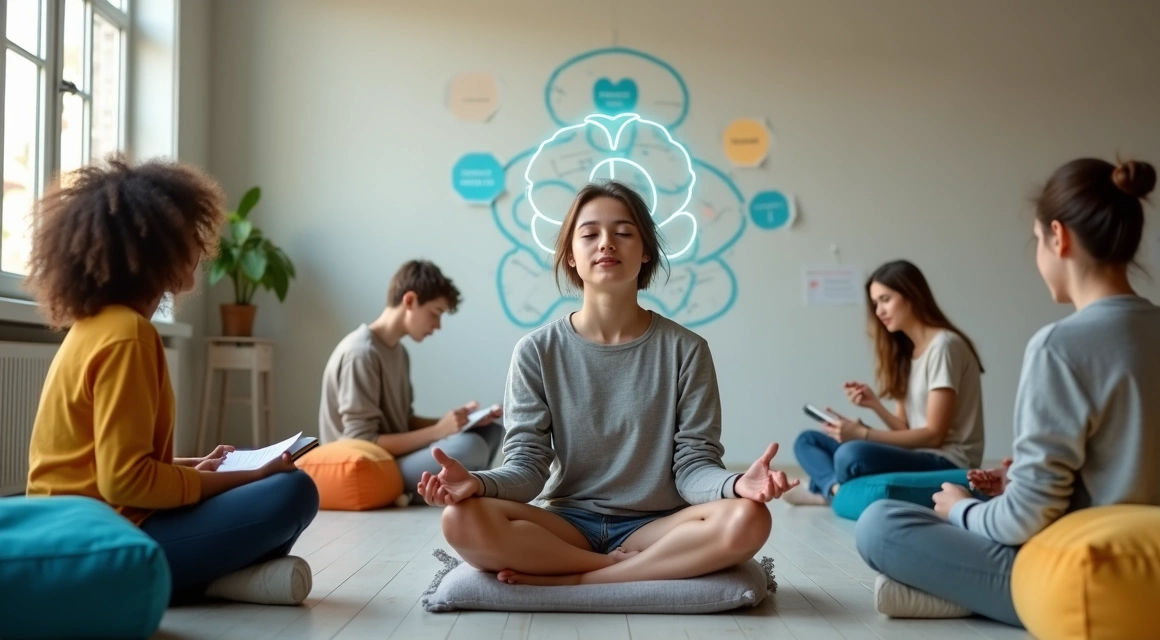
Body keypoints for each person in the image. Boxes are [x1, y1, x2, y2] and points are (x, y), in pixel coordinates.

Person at [854, 157, 1160, 627]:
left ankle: (963, 592)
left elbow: (1022, 522)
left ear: (1058, 237)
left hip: (1098, 580)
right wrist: (1017, 482)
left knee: (881, 524)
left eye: (1037, 240)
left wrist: (963, 510)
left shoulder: (1058, 346)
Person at [415, 180, 797, 586]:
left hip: (657, 526)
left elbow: (693, 466)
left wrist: (737, 484)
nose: (606, 243)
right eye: (589, 234)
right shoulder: (535, 351)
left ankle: (580, 579)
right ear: (571, 255)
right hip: (566, 524)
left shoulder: (687, 350)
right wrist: (477, 482)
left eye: (624, 233)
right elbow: (527, 467)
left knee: (750, 517)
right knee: (460, 519)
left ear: (646, 251)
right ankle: (621, 570)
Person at [25, 156, 319, 605]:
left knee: (263, 483)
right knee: (292, 491)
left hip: (74, 532)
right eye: (190, 235)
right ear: (154, 247)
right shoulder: (128, 335)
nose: (201, 246)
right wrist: (250, 475)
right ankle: (200, 582)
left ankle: (217, 581)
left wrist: (193, 468)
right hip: (101, 544)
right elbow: (126, 484)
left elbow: (108, 467)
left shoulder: (96, 327)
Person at [785, 260, 986, 505]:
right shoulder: (909, 354)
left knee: (851, 453)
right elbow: (904, 429)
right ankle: (834, 490)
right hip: (918, 453)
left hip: (948, 459)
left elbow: (934, 436)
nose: (879, 311)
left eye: (885, 300)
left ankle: (825, 489)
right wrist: (875, 406)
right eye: (875, 303)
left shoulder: (944, 346)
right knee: (808, 440)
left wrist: (862, 434)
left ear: (912, 295)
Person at [318, 260, 504, 502]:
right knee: (471, 448)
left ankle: (443, 491)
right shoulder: (361, 353)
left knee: (491, 431)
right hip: (372, 464)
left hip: (392, 457)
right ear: (409, 301)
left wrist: (459, 422)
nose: (437, 326)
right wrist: (438, 431)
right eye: (435, 313)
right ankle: (429, 492)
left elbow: (403, 421)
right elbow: (360, 441)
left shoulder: (399, 353)